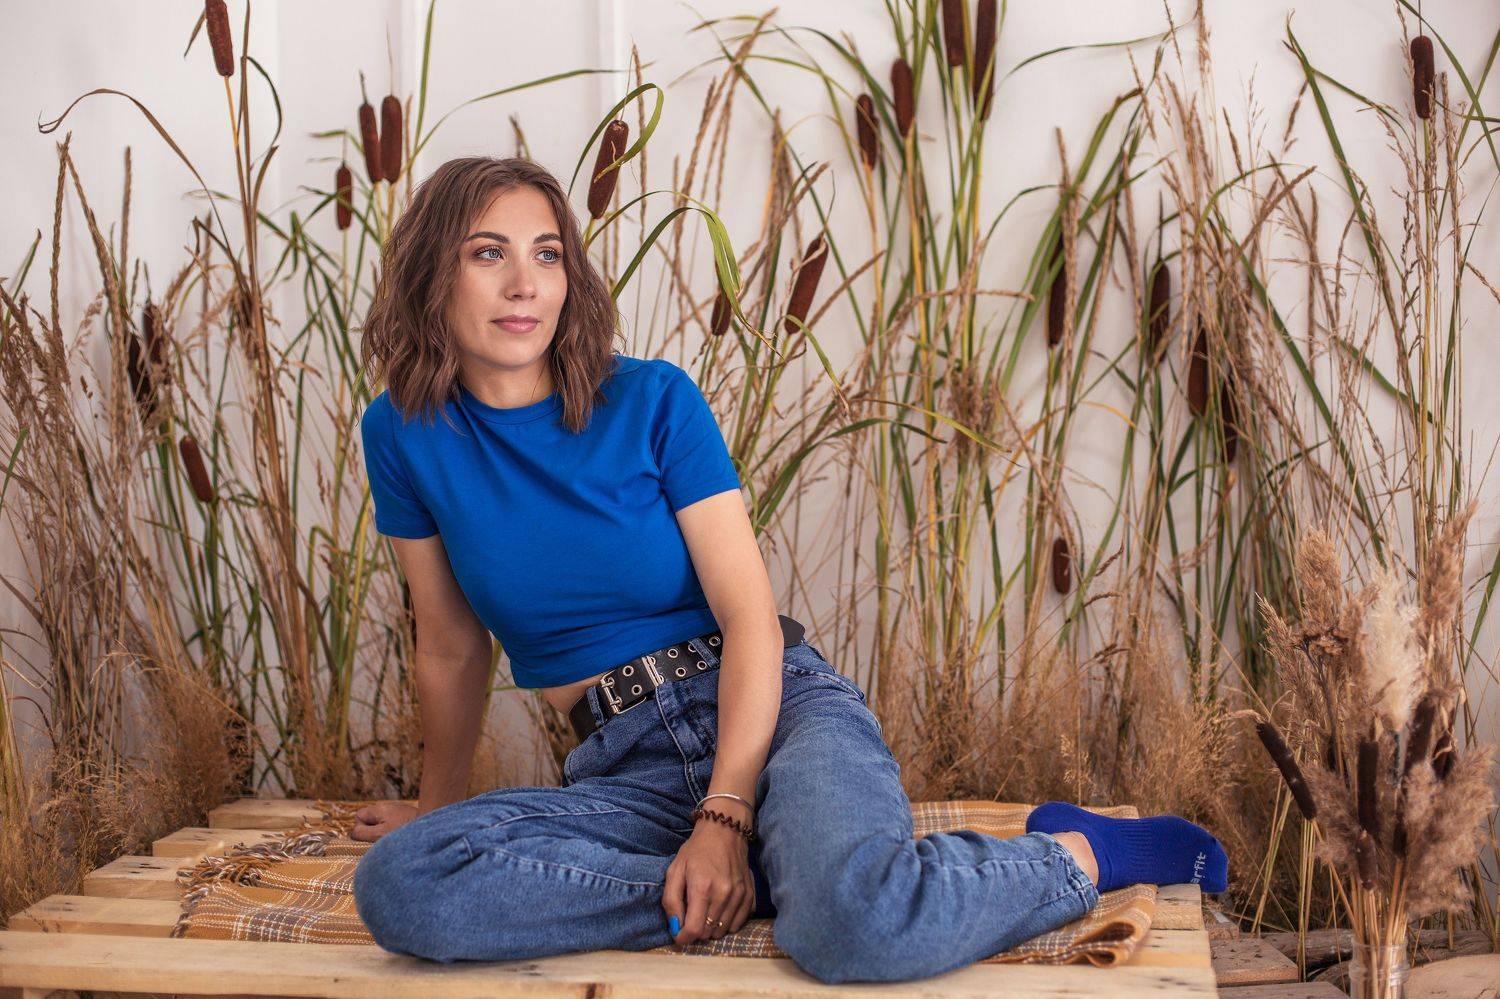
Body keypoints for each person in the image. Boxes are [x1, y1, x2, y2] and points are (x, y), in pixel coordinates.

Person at [348, 155, 1229, 985]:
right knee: (404, 881)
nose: (525, 283)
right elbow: (452, 645)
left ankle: (1081, 852)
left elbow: (750, 620)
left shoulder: (651, 400)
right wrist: (437, 806)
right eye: (488, 253)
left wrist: (726, 812)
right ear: (434, 272)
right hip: (627, 767)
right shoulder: (402, 432)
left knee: (854, 927)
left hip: (774, 709)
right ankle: (788, 878)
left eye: (547, 254)